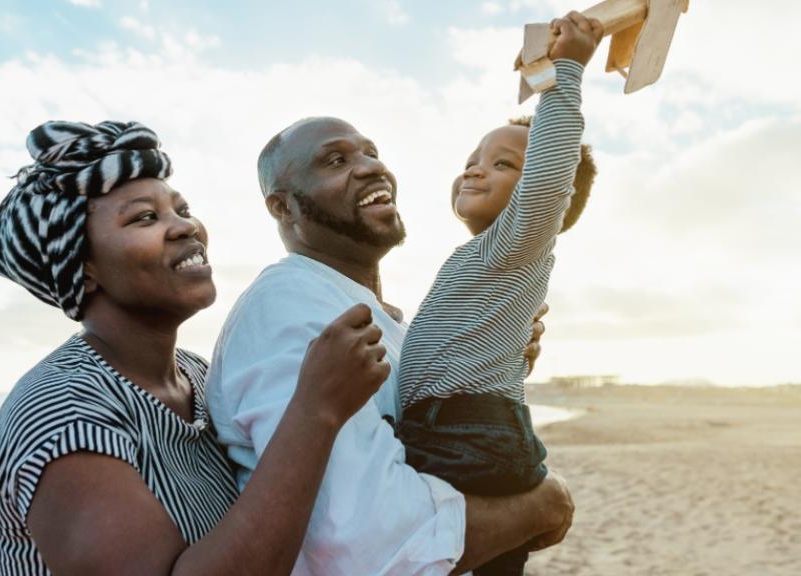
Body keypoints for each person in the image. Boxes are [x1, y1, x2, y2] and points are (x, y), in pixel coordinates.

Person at [204, 15, 594, 575]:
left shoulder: (382, 315)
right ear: (283, 207)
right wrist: (542, 506)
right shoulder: (287, 307)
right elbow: (363, 541)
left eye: (370, 151)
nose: (371, 166)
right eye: (336, 160)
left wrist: (495, 359)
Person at [0, 120, 392, 576]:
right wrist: (316, 410)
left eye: (182, 209)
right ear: (84, 267)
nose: (185, 227)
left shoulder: (197, 376)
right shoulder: (63, 412)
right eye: (144, 218)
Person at [396, 12, 603, 575]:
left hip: (469, 431)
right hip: (457, 428)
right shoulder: (486, 260)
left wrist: (568, 71)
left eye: (504, 163)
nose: (474, 171)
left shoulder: (518, 238)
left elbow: (550, 174)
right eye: (471, 162)